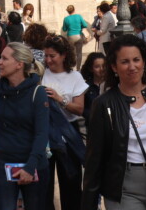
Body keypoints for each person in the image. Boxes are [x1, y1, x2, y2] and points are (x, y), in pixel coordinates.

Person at [82, 35, 146, 210]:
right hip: (123, 185)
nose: (132, 66)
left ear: (144, 62)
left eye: (136, 60)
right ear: (114, 67)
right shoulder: (103, 103)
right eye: (124, 62)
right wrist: (89, 201)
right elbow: (94, 156)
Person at [0, 42, 51, 210]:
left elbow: (41, 134)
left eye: (4, 58)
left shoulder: (38, 93)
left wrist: (30, 168)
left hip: (33, 164)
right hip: (3, 164)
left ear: (19, 65)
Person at [42, 36, 88, 210]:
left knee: (71, 180)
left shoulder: (75, 77)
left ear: (63, 56)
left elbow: (79, 109)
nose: (48, 60)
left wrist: (60, 100)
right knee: (45, 182)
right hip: (46, 132)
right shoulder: (41, 73)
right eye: (46, 55)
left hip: (69, 132)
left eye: (52, 56)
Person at [79, 51, 107, 121]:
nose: (102, 69)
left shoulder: (112, 85)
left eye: (104, 66)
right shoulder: (86, 87)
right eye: (97, 67)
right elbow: (82, 110)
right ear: (91, 69)